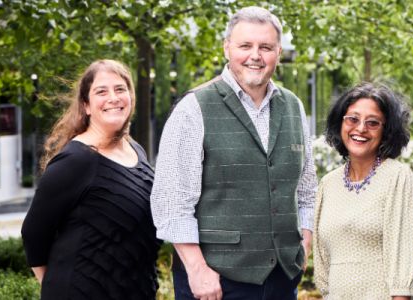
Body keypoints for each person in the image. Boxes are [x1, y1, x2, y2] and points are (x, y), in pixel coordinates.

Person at [150, 6, 317, 300]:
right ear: (227, 48)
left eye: (265, 47)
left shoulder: (294, 107)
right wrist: (198, 270)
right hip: (215, 282)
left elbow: (306, 187)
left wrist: (305, 242)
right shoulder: (193, 109)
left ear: (278, 52)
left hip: (281, 278)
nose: (256, 55)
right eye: (245, 46)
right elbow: (171, 202)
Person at [21, 59, 161, 299]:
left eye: (120, 89)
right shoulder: (76, 160)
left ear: (131, 97)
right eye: (101, 92)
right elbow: (33, 234)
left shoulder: (134, 149)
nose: (113, 98)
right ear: (86, 105)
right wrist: (58, 286)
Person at [313, 82, 413, 299]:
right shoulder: (328, 183)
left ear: (386, 130)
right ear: (340, 122)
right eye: (352, 119)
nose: (361, 128)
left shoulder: (398, 178)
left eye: (373, 123)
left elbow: (403, 271)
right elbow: (323, 267)